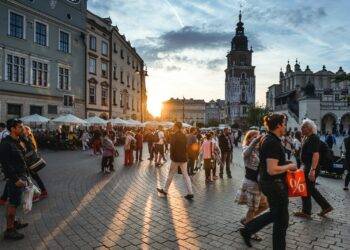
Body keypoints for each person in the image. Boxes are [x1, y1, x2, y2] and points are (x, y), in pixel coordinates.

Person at [239, 114, 297, 249]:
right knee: (281, 219)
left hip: (269, 184)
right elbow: (272, 169)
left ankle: (248, 229)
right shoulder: (272, 142)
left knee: (278, 217)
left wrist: (283, 162)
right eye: (284, 123)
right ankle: (248, 229)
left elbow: (268, 163)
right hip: (275, 185)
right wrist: (289, 166)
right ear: (278, 125)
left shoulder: (268, 139)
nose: (285, 126)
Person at [294, 119, 333, 219]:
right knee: (309, 189)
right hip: (308, 166)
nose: (301, 129)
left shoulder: (313, 138)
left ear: (309, 128)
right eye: (301, 127)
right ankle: (325, 207)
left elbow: (316, 154)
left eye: (303, 127)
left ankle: (307, 211)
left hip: (310, 167)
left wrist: (312, 170)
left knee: (307, 189)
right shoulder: (308, 138)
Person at [236, 130, 268, 241]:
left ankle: (246, 220)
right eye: (254, 137)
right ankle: (250, 231)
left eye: (257, 136)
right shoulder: (246, 148)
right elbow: (245, 154)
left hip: (260, 183)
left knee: (265, 205)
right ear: (249, 138)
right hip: (251, 183)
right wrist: (254, 142)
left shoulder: (260, 150)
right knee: (252, 209)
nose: (257, 139)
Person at [0, 119, 29, 240]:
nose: (22, 129)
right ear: (12, 128)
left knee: (16, 202)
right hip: (15, 178)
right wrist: (16, 179)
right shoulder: (6, 144)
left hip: (21, 175)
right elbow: (6, 164)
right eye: (20, 127)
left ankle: (14, 222)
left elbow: (23, 156)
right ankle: (9, 230)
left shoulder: (18, 140)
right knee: (12, 203)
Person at [157, 122, 193, 199]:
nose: (173, 127)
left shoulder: (174, 136)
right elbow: (187, 146)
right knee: (186, 175)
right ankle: (190, 192)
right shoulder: (184, 136)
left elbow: (172, 147)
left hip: (176, 158)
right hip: (183, 158)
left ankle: (165, 190)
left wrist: (171, 156)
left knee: (171, 174)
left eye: (174, 126)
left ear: (176, 127)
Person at [21, 126, 48, 201]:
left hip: (29, 162)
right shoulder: (27, 138)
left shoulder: (27, 138)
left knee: (33, 177)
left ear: (27, 131)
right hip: (29, 162)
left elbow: (31, 150)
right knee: (32, 177)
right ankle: (42, 191)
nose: (22, 131)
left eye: (24, 130)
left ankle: (42, 192)